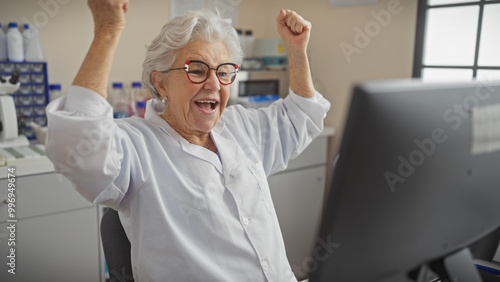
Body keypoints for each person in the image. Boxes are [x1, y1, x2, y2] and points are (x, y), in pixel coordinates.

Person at [45, 0, 330, 281]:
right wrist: (107, 30)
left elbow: (300, 116)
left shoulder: (240, 127)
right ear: (160, 82)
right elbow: (77, 145)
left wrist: (296, 51)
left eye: (224, 72)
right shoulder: (137, 145)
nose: (215, 84)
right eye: (197, 70)